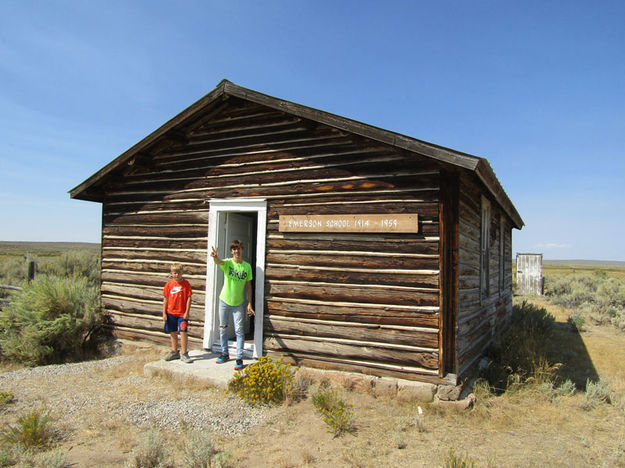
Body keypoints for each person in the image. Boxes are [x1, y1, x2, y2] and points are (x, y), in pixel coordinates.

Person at [210, 240, 255, 371]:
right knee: (223, 328)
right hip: (224, 300)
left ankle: (239, 357)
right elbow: (219, 262)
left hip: (238, 303)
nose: (237, 251)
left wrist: (250, 303)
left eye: (239, 248)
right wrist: (215, 257)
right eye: (234, 249)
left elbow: (249, 286)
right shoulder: (228, 263)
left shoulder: (247, 267)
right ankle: (225, 353)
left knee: (239, 331)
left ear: (242, 250)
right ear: (232, 251)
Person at [162, 263, 193, 363]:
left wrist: (187, 312)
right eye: (174, 273)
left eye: (178, 273)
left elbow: (189, 298)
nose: (176, 275)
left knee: (183, 332)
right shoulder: (169, 284)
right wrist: (164, 313)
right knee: (172, 332)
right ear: (171, 273)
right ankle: (174, 351)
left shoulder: (186, 284)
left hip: (182, 313)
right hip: (171, 312)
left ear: (182, 273)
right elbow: (165, 299)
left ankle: (184, 353)